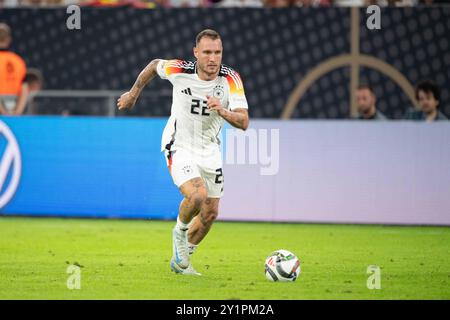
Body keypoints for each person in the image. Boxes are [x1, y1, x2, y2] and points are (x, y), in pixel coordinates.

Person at [117, 29, 249, 275]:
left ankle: (181, 261)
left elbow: (243, 122)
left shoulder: (230, 78)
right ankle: (178, 233)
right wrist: (133, 94)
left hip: (210, 149)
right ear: (196, 53)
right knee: (197, 195)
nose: (213, 58)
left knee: (210, 214)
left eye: (217, 52)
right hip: (179, 144)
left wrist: (222, 111)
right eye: (207, 52)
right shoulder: (180, 70)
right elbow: (154, 65)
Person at [0, 23, 28, 116]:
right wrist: (18, 111)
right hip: (14, 107)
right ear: (8, 40)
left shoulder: (18, 61)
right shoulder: (18, 61)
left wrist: (3, 111)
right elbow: (24, 90)